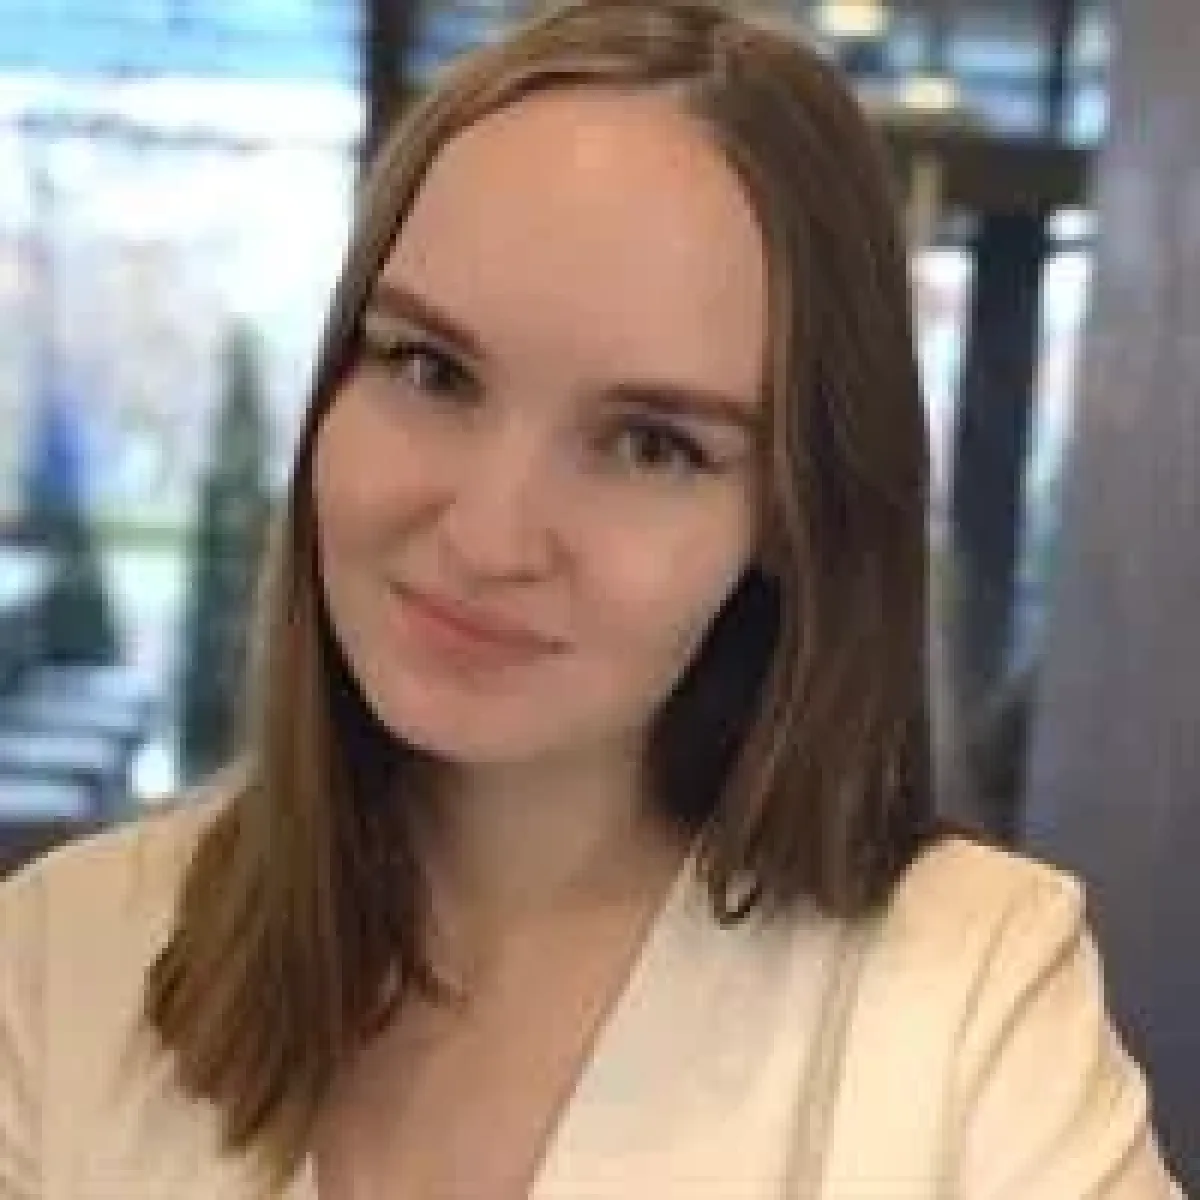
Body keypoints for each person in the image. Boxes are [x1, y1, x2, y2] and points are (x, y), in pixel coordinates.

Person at [0, 1, 1184, 1196]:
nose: (488, 535)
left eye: (651, 444)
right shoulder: (63, 966)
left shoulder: (966, 1008)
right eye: (430, 368)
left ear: (791, 519)